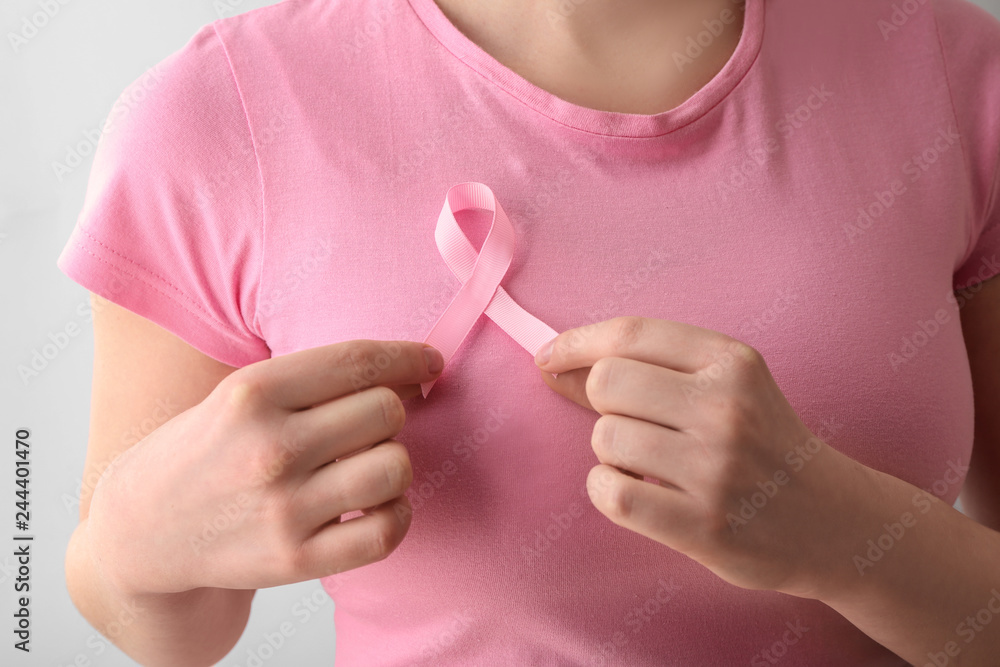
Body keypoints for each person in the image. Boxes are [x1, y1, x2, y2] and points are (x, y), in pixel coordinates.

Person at [57, 0, 1000, 664]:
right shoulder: (217, 115)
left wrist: (845, 531)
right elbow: (169, 633)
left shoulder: (953, 71)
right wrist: (132, 542)